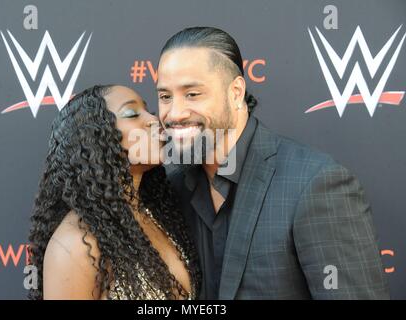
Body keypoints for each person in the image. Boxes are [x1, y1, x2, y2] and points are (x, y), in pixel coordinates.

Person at [157, 26, 390, 299]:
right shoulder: (169, 184)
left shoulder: (314, 184)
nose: (175, 113)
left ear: (235, 92)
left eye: (193, 94)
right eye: (165, 97)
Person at [28, 84, 201, 300]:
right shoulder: (77, 245)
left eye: (150, 111)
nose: (154, 120)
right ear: (95, 138)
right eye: (131, 113)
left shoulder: (159, 216)